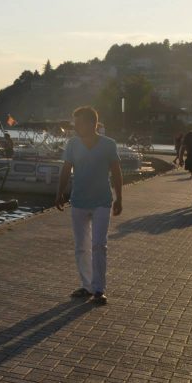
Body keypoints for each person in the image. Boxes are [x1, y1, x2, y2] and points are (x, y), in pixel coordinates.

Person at [55, 106, 122, 305]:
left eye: (79, 122)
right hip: (79, 201)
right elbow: (66, 169)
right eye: (75, 123)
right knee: (81, 247)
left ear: (92, 123)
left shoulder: (109, 144)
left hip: (102, 201)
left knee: (99, 245)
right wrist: (59, 192)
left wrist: (119, 198)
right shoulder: (73, 144)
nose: (75, 126)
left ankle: (99, 289)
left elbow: (116, 172)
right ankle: (87, 286)